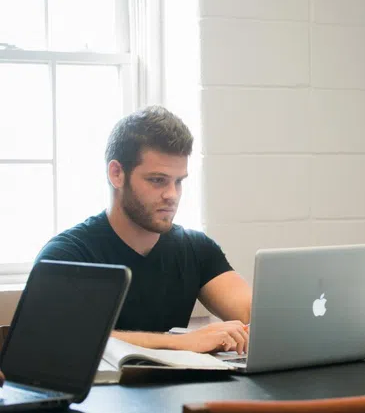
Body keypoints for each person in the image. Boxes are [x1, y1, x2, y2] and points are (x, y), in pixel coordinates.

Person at [36, 106, 251, 354]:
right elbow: (60, 337)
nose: (172, 195)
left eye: (179, 181)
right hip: (99, 392)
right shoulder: (67, 255)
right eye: (157, 180)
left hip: (178, 392)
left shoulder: (197, 249)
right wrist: (180, 342)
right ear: (117, 174)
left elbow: (252, 313)